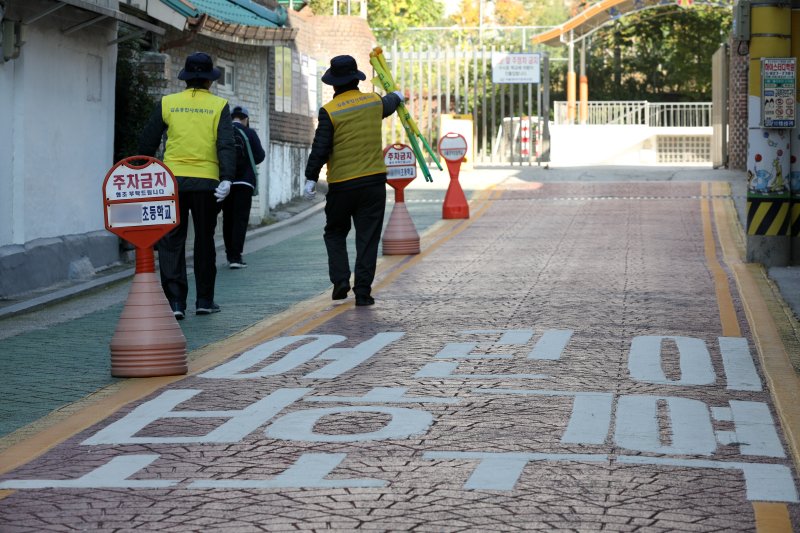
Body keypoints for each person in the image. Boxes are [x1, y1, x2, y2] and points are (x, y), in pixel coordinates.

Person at [138, 51, 235, 319]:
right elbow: (226, 144)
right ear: (209, 81)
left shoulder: (168, 103)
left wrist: (139, 171)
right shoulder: (219, 105)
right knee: (204, 241)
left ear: (185, 79)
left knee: (171, 242)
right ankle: (204, 300)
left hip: (172, 182)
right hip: (207, 183)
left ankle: (175, 303)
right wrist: (227, 177)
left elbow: (148, 140)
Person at [304, 55, 404, 306]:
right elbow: (390, 102)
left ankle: (340, 280)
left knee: (335, 232)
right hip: (372, 184)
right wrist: (398, 96)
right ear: (355, 79)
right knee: (367, 238)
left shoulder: (329, 111)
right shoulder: (373, 102)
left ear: (334, 84)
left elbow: (320, 147)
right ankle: (363, 292)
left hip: (342, 185)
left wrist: (310, 177)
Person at [220, 105, 266, 269]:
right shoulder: (250, 133)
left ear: (231, 117)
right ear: (245, 119)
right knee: (240, 219)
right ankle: (236, 257)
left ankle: (229, 254)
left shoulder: (224, 131)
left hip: (226, 181)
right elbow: (260, 156)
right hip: (245, 182)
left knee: (228, 218)